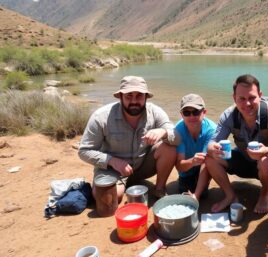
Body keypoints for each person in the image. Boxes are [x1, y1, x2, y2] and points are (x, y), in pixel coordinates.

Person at [78, 76, 177, 216]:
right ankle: (120, 186)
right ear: (120, 97)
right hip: (113, 170)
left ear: (146, 97)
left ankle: (159, 189)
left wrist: (163, 131)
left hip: (143, 166)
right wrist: (112, 161)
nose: (134, 101)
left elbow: (176, 136)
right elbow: (84, 151)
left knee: (169, 147)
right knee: (109, 199)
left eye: (139, 96)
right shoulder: (101, 117)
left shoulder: (155, 112)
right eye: (129, 96)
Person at [206, 74, 268, 214]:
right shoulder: (229, 116)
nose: (247, 104)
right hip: (244, 160)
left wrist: (267, 150)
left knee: (265, 162)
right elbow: (212, 143)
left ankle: (265, 194)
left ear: (260, 95)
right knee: (209, 159)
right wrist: (212, 149)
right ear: (234, 98)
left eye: (252, 98)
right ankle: (230, 196)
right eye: (242, 99)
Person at [174, 94, 216, 199]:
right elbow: (179, 166)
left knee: (202, 195)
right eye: (187, 113)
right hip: (186, 170)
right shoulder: (178, 131)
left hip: (204, 168)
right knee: (183, 194)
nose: (192, 117)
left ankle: (200, 188)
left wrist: (196, 195)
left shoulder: (212, 130)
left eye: (196, 112)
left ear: (204, 113)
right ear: (181, 115)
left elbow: (208, 162)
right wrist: (193, 161)